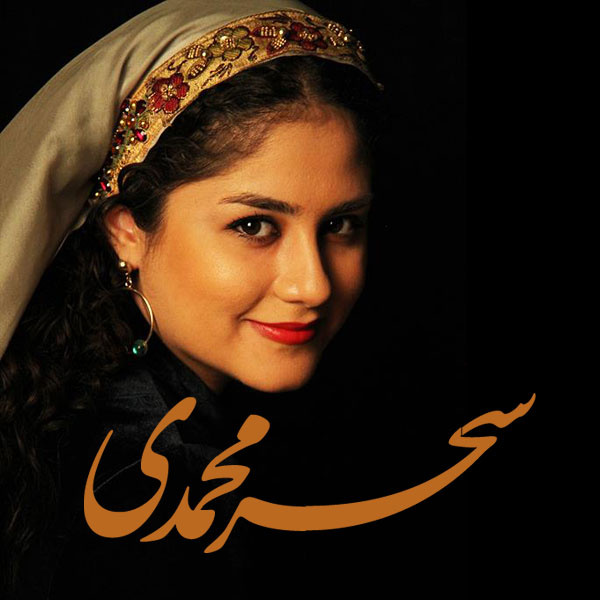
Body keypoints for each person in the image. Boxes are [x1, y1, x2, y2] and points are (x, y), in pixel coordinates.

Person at [0, 0, 393, 598]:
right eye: (255, 226)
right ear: (126, 230)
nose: (312, 285)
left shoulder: (73, 407)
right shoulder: (145, 494)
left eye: (340, 225)